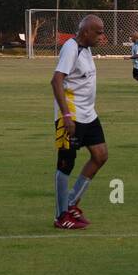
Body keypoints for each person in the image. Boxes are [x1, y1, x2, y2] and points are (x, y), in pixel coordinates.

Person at [51, 15, 107, 230]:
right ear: (85, 32)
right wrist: (65, 116)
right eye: (98, 32)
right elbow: (56, 80)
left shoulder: (86, 48)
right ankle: (60, 215)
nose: (102, 36)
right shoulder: (71, 47)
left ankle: (71, 203)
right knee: (66, 164)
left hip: (88, 114)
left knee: (101, 155)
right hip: (71, 116)